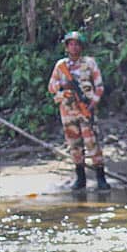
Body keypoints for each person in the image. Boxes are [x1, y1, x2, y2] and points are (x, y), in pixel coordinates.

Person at [47, 30, 109, 190]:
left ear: (81, 47)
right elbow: (51, 87)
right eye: (71, 44)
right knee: (74, 144)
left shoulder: (89, 63)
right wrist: (63, 85)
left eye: (77, 44)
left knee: (92, 142)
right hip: (67, 111)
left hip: (85, 109)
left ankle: (101, 178)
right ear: (67, 47)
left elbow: (99, 86)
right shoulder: (60, 66)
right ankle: (80, 178)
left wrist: (92, 104)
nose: (74, 47)